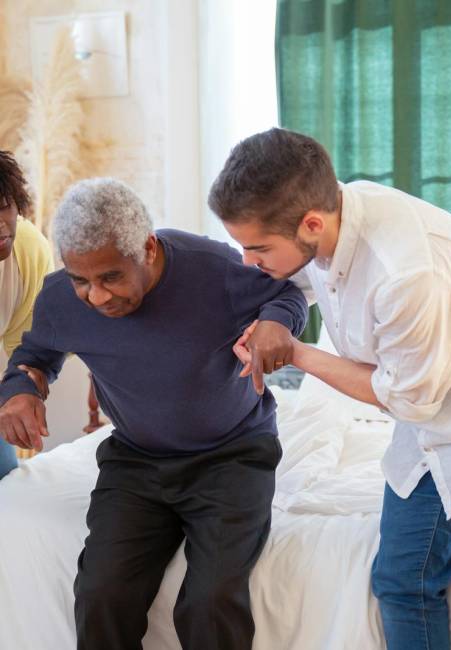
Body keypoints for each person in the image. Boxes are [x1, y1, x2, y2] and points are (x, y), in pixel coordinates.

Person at [209, 127, 451, 650]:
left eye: (257, 247)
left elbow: (407, 398)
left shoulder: (408, 274)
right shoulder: (332, 223)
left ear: (311, 223)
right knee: (399, 586)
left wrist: (297, 351)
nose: (248, 260)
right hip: (428, 435)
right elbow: (296, 283)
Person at [0, 177, 307, 650]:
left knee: (210, 600)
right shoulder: (61, 297)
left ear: (147, 248)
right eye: (81, 279)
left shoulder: (212, 268)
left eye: (110, 278)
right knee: (101, 593)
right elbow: (35, 356)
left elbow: (286, 294)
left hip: (231, 456)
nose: (96, 297)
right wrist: (20, 392)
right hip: (137, 461)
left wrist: (274, 323)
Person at [0, 151, 52, 478]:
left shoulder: (27, 249)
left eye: (5, 205)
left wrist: (19, 392)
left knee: (7, 486)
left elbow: (28, 350)